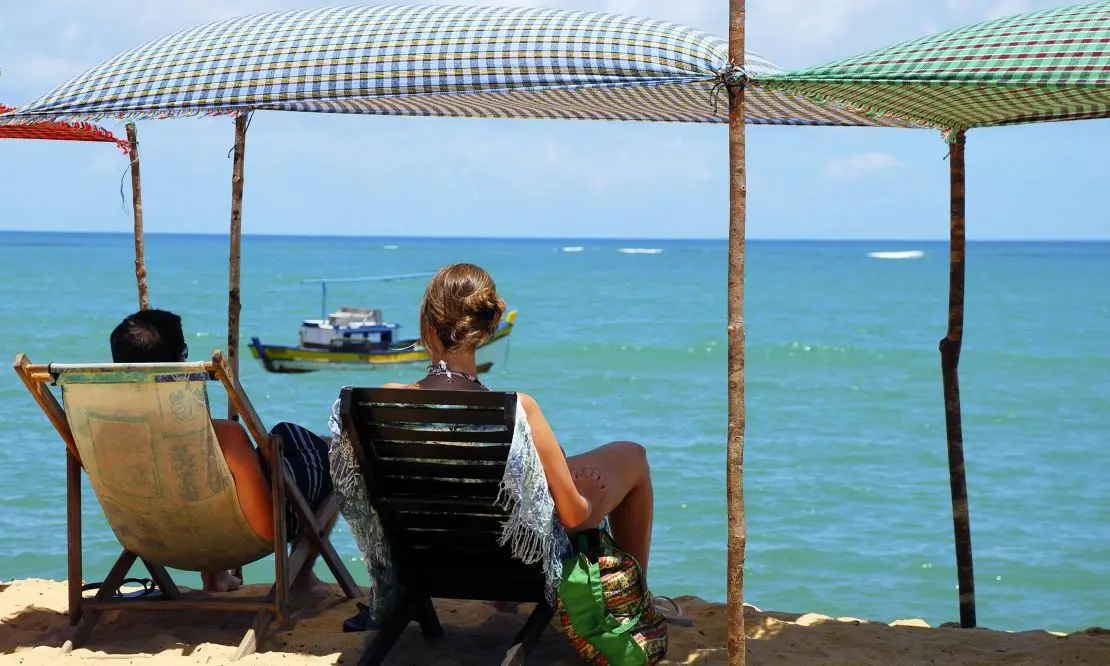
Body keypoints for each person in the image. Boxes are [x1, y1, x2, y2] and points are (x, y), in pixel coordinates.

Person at [388, 263, 655, 578]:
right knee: (632, 455)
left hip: (427, 562)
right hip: (514, 566)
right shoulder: (519, 409)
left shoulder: (386, 399)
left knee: (549, 464)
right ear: (487, 329)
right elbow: (572, 518)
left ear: (428, 328)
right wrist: (588, 498)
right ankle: (638, 594)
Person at [109, 308, 332, 595]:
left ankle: (215, 577)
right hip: (229, 541)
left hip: (147, 539)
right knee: (317, 449)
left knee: (209, 468)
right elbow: (265, 528)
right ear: (180, 362)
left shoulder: (103, 433)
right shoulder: (224, 436)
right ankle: (300, 575)